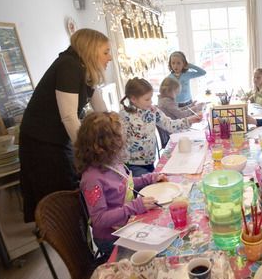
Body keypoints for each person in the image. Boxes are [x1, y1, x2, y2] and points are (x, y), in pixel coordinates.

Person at [19, 28, 111, 223]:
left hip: (58, 139)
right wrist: (89, 153)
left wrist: (113, 133)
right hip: (42, 143)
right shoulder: (69, 66)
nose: (109, 57)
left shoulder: (84, 68)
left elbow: (100, 108)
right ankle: (73, 243)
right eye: (105, 51)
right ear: (90, 50)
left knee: (74, 185)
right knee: (64, 194)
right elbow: (69, 117)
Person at [76, 112, 167, 258]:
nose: (123, 142)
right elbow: (99, 219)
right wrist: (135, 206)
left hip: (128, 223)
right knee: (159, 250)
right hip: (111, 237)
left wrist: (149, 178)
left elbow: (125, 185)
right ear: (102, 146)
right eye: (118, 139)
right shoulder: (92, 180)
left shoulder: (111, 161)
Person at [119, 78, 201, 177]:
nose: (150, 102)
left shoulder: (153, 111)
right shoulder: (123, 116)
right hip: (132, 165)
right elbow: (117, 140)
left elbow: (169, 125)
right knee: (146, 189)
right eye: (147, 99)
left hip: (150, 162)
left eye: (151, 98)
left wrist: (190, 120)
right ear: (133, 99)